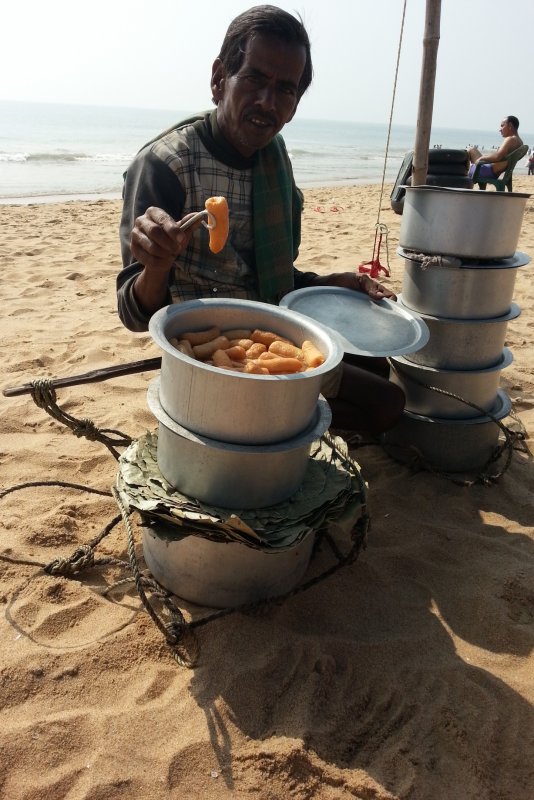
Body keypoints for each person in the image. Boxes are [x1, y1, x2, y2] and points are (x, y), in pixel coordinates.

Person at [117, 4, 404, 437]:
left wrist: (330, 281)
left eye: (285, 90)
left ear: (295, 104)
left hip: (271, 330)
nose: (267, 103)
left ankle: (287, 424)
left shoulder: (273, 158)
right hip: (211, 358)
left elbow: (267, 276)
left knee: (376, 365)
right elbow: (136, 315)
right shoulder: (166, 165)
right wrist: (157, 265)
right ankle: (271, 428)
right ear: (219, 78)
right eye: (254, 79)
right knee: (389, 403)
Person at [467, 116, 523, 180]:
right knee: (473, 150)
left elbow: (497, 157)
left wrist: (481, 158)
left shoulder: (510, 139)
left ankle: (463, 177)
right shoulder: (520, 142)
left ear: (510, 125)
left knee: (470, 150)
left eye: (502, 126)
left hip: (487, 171)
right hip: (493, 172)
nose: (500, 129)